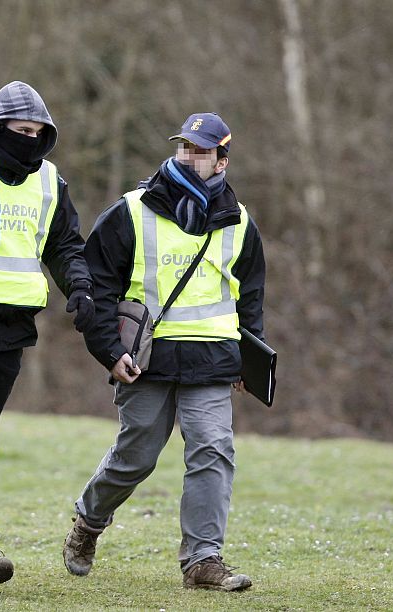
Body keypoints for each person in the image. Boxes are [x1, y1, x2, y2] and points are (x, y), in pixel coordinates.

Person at [63, 113, 265, 592]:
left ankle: (202, 560)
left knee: (213, 449)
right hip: (145, 360)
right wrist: (109, 352)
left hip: (214, 360)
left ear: (222, 160)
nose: (188, 156)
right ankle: (89, 521)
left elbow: (250, 296)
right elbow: (97, 286)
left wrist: (250, 360)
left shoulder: (241, 224)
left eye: (200, 150)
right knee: (136, 457)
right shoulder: (131, 211)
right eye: (184, 147)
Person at [0, 81, 95, 591]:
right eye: (18, 132)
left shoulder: (50, 181)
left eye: (37, 133)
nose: (29, 141)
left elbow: (66, 245)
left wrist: (80, 287)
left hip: (15, 327)